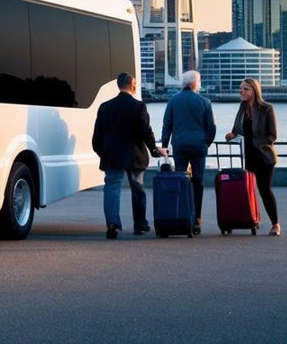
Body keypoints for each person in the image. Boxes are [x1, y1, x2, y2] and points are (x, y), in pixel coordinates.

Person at [92, 72, 168, 239]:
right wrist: (155, 150)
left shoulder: (105, 107)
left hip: (112, 155)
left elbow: (97, 137)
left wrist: (103, 152)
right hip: (135, 155)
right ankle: (140, 225)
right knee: (137, 188)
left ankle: (113, 224)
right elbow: (145, 131)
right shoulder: (138, 106)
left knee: (112, 188)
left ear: (118, 85)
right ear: (133, 85)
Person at [160, 70, 216, 234]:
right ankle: (197, 218)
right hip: (199, 146)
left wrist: (165, 146)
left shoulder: (173, 100)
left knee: (180, 179)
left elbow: (167, 125)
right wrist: (206, 142)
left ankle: (181, 214)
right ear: (195, 83)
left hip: (180, 146)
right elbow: (211, 128)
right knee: (197, 181)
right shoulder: (205, 101)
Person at [225, 77, 281, 236]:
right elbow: (238, 129)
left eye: (245, 89)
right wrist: (232, 134)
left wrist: (258, 144)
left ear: (254, 91)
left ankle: (275, 224)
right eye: (240, 89)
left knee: (264, 190)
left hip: (264, 156)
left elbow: (272, 135)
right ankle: (251, 219)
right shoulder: (242, 108)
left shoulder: (267, 108)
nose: (241, 92)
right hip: (248, 156)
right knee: (248, 190)